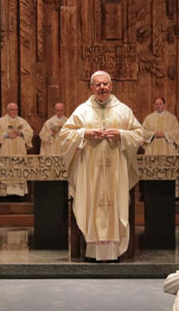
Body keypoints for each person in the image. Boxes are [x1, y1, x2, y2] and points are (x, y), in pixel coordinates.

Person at [60, 70, 144, 261]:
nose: (102, 87)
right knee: (91, 204)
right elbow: (65, 135)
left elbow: (139, 133)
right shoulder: (82, 111)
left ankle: (113, 252)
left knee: (113, 205)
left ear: (111, 86)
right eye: (97, 84)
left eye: (105, 84)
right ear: (91, 88)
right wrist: (84, 134)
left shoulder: (123, 110)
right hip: (90, 172)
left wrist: (122, 134)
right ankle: (92, 252)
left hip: (116, 171)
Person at [0, 103, 33, 200]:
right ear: (7, 110)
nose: (14, 111)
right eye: (11, 109)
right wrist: (6, 135)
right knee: (6, 168)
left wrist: (21, 133)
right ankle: (5, 194)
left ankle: (19, 194)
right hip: (6, 150)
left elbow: (30, 132)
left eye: (15, 109)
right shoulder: (1, 122)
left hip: (19, 150)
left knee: (19, 169)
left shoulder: (22, 122)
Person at [141, 97, 179, 196]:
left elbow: (176, 132)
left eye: (160, 104)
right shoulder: (149, 118)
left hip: (167, 149)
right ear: (154, 105)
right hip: (153, 150)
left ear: (164, 105)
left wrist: (164, 134)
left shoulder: (172, 118)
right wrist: (153, 134)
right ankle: (152, 193)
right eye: (156, 104)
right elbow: (143, 132)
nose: (158, 106)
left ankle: (170, 193)